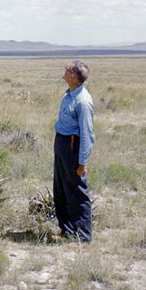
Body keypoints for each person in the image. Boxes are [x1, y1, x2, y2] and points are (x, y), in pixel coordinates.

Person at [53, 60, 95, 242]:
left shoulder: (82, 102)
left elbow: (87, 134)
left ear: (73, 76)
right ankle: (67, 230)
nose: (64, 69)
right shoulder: (68, 95)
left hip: (72, 145)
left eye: (67, 68)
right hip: (61, 142)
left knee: (77, 190)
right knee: (61, 188)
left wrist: (82, 162)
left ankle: (83, 235)